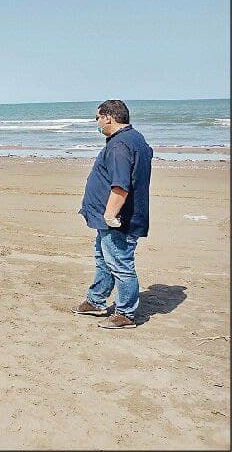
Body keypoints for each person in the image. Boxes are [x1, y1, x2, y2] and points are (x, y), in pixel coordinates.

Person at [73, 100, 153, 329]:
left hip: (119, 220)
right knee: (103, 258)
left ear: (108, 117)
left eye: (97, 118)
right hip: (112, 219)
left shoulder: (119, 145)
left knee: (120, 263)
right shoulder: (134, 138)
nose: (97, 123)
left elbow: (120, 186)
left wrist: (110, 214)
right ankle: (96, 300)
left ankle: (126, 314)